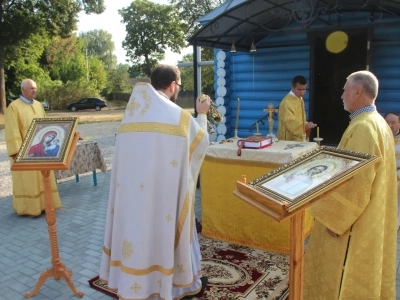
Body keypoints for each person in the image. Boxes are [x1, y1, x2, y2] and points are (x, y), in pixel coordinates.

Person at [99, 64, 211, 300]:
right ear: (173, 85)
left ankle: (134, 283)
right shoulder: (178, 117)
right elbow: (200, 142)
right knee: (165, 233)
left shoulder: (129, 117)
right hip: (164, 198)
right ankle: (173, 285)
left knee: (138, 236)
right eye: (178, 86)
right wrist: (201, 114)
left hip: (132, 199)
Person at [304, 71, 397, 299]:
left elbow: (357, 181)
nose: (342, 95)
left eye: (345, 90)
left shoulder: (364, 128)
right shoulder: (377, 123)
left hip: (353, 224)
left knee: (340, 277)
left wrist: (336, 220)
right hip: (372, 214)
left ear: (357, 91)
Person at [5, 79, 62, 216]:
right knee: (29, 180)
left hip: (42, 151)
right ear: (23, 90)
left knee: (43, 177)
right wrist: (17, 152)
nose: (34, 90)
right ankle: (29, 209)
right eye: (31, 88)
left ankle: (45, 205)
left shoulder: (39, 105)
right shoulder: (13, 107)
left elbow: (46, 125)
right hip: (24, 153)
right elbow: (12, 131)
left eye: (35, 88)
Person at [277, 75, 317, 141]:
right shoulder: (286, 102)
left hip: (299, 136)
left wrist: (306, 124)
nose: (302, 92)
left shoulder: (300, 99)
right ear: (292, 88)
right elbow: (289, 121)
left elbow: (301, 118)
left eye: (304, 89)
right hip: (288, 139)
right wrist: (305, 126)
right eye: (299, 89)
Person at [384, 112, 400, 229]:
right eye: (387, 122)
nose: (390, 125)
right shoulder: (382, 137)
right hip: (384, 174)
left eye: (393, 122)